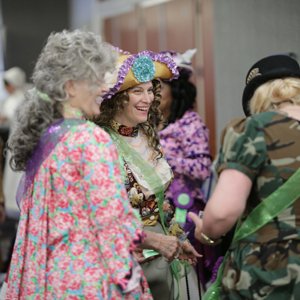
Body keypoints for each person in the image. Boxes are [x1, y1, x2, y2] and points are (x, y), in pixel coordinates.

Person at [3, 29, 152, 299]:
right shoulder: (90, 139)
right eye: (96, 79)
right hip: (84, 281)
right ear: (70, 86)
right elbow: (112, 221)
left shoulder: (44, 138)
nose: (105, 88)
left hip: (42, 280)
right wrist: (129, 282)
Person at [188, 54, 300, 299]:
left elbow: (222, 213)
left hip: (268, 277)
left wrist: (205, 232)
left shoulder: (253, 130)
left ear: (257, 98)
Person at [94, 50, 200, 300]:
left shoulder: (147, 134)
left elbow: (160, 203)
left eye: (150, 90)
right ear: (117, 98)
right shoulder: (100, 143)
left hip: (167, 254)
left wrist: (176, 236)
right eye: (137, 91)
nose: (148, 98)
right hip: (129, 259)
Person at [158, 49, 221, 288]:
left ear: (176, 91)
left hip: (182, 206)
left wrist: (165, 156)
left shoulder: (191, 124)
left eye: (161, 87)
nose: (154, 94)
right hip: (156, 208)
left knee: (184, 268)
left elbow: (202, 167)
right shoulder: (150, 122)